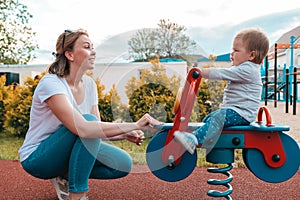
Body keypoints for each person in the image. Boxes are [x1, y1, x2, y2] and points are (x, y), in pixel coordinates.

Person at [18, 29, 161, 200]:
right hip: (39, 158)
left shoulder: (90, 85)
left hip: (67, 150)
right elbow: (85, 128)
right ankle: (77, 194)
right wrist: (135, 124)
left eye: (93, 47)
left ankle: (64, 175)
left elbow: (96, 131)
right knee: (88, 122)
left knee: (122, 164)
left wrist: (124, 134)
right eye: (87, 47)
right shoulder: (51, 83)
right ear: (69, 54)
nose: (93, 51)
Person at [174, 27, 269, 154]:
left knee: (218, 117)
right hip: (236, 111)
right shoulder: (243, 69)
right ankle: (201, 139)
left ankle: (195, 139)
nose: (231, 54)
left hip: (241, 113)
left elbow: (222, 73)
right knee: (210, 118)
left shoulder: (248, 69)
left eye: (236, 50)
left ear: (251, 55)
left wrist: (202, 72)